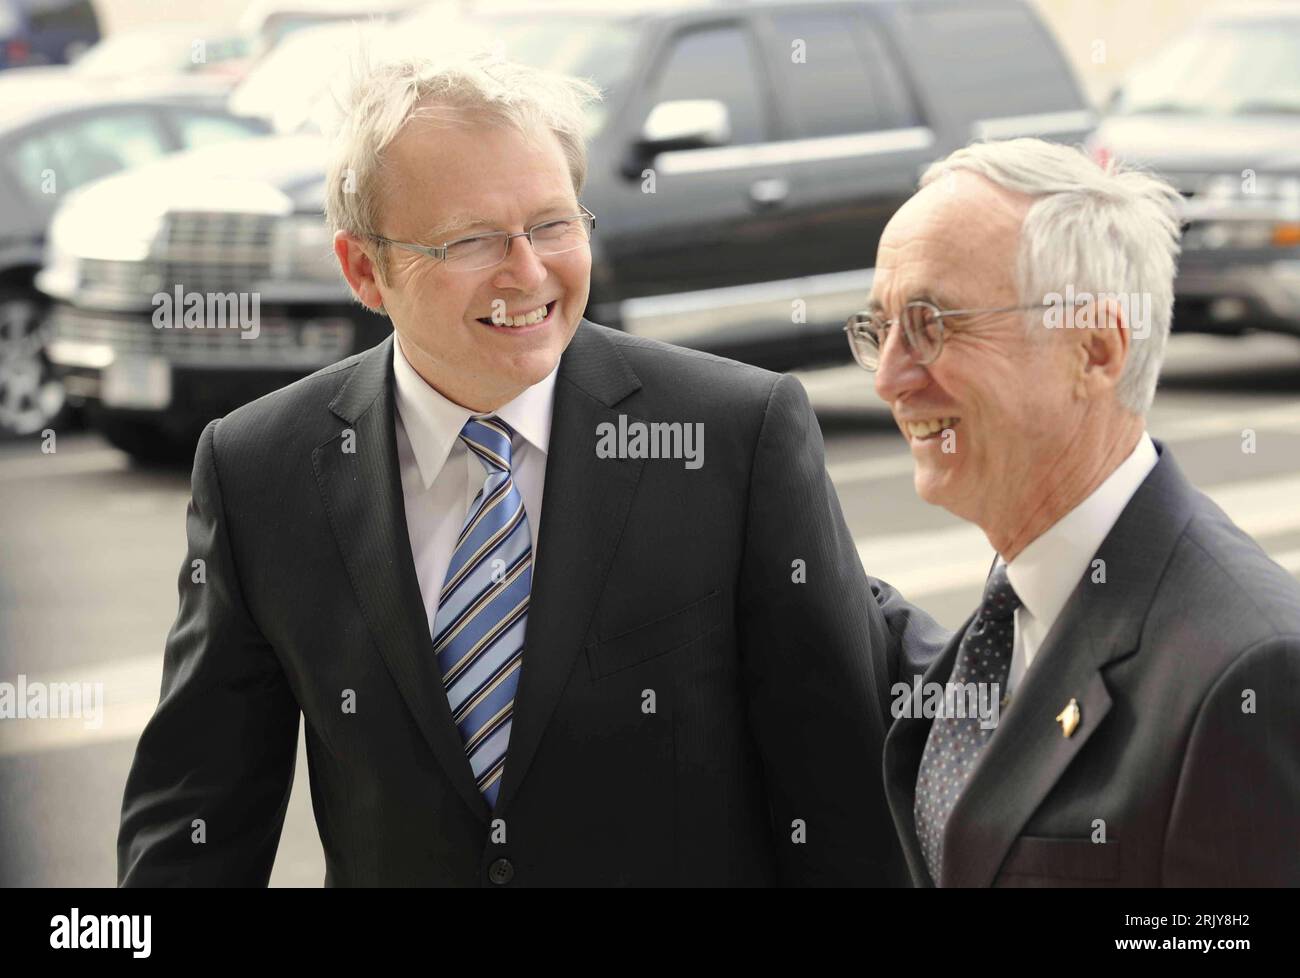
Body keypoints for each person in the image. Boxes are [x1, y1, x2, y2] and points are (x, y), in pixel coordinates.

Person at [116, 53, 945, 887]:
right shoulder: (259, 470)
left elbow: (844, 805)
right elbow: (197, 823)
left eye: (553, 225)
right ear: (365, 268)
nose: (529, 271)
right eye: (473, 239)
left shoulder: (735, 435)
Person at [855, 137, 1300, 886]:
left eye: (932, 324)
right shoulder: (1016, 606)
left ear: (1094, 350)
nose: (891, 379)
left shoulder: (1250, 672)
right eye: (879, 330)